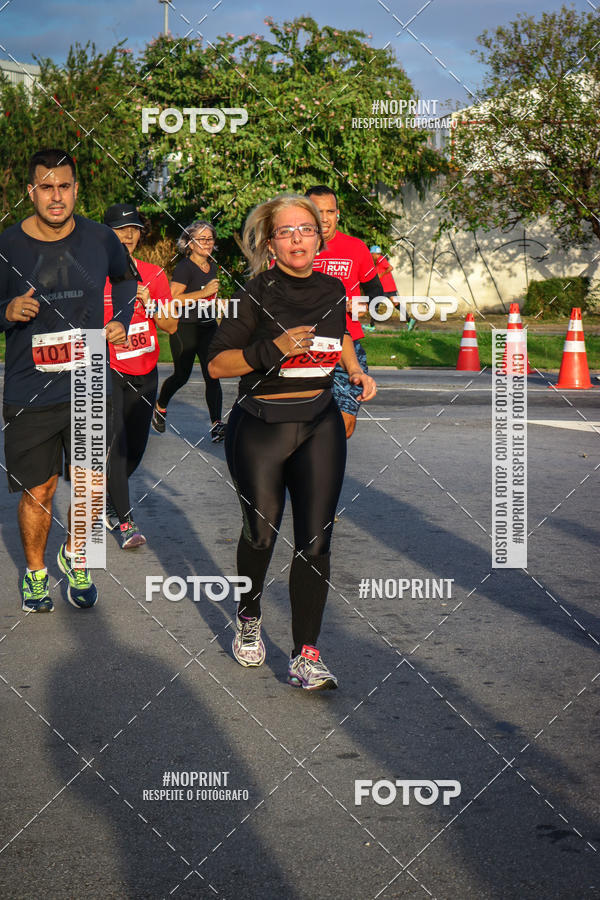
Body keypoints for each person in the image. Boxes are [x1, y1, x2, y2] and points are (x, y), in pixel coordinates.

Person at [207, 193, 376, 690]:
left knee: (316, 542)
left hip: (319, 421)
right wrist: (275, 348)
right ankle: (249, 613)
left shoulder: (332, 288)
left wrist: (355, 370)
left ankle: (306, 655)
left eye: (306, 228)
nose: (298, 237)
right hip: (261, 425)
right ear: (270, 243)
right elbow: (218, 365)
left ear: (319, 237)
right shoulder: (253, 293)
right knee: (261, 536)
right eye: (287, 231)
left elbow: (340, 334)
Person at [0, 148, 134, 612]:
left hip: (89, 376)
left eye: (64, 186)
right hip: (28, 384)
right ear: (31, 191)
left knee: (91, 484)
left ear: (76, 189)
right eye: (46, 187)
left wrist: (119, 317)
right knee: (41, 489)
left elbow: (126, 280)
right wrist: (6, 312)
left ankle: (78, 558)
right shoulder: (8, 246)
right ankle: (36, 574)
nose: (56, 197)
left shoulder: (101, 239)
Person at [103, 203, 178, 549]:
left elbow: (171, 325)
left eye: (133, 229)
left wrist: (149, 305)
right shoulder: (94, 275)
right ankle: (125, 521)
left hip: (145, 371)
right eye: (121, 230)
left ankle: (107, 499)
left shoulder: (154, 274)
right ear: (107, 234)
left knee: (135, 450)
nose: (128, 236)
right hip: (108, 369)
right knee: (116, 445)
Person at [305, 186, 384, 438]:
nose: (325, 218)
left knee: (344, 427)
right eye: (318, 212)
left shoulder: (356, 247)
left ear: (338, 214)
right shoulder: (294, 247)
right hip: (304, 347)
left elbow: (378, 297)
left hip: (346, 347)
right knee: (301, 421)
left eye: (330, 211)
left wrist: (360, 304)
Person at [152, 221, 226, 441]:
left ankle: (216, 425)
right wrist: (204, 294)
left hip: (208, 326)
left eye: (210, 239)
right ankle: (160, 406)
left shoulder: (211, 265)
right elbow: (173, 299)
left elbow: (208, 297)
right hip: (185, 328)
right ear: (190, 244)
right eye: (201, 239)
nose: (207, 243)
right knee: (182, 376)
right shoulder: (185, 267)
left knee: (213, 374)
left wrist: (217, 305)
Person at [369, 244, 415, 331]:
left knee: (375, 304)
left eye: (371, 254)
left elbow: (390, 268)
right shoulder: (379, 260)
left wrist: (381, 275)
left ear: (375, 254)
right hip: (390, 287)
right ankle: (410, 320)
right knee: (396, 304)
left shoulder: (380, 259)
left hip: (384, 288)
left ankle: (371, 326)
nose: (371, 256)